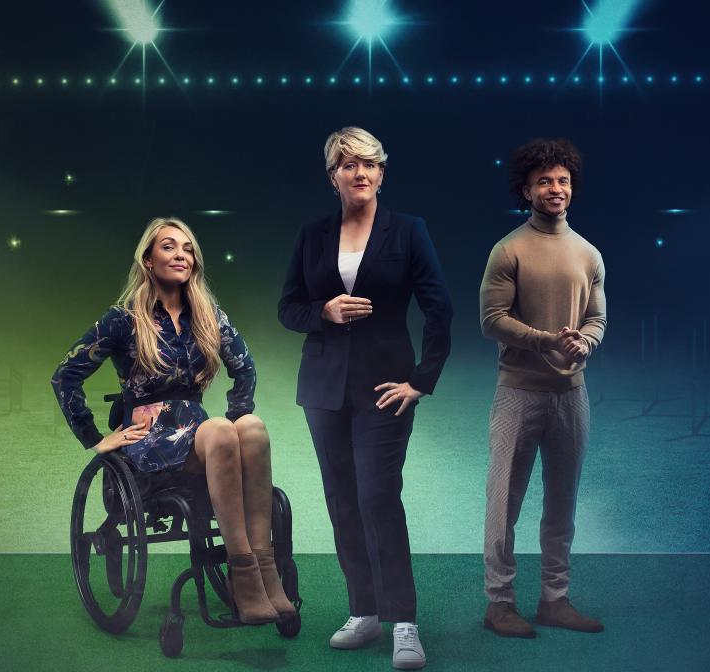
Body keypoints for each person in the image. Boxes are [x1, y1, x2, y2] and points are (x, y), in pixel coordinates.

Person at [52, 217, 295, 625]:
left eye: (187, 248)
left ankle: (265, 570)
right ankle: (244, 574)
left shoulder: (209, 315)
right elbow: (65, 376)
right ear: (148, 259)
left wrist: (236, 421)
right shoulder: (123, 319)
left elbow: (246, 369)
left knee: (250, 427)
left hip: (199, 434)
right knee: (218, 430)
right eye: (168, 246)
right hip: (149, 439)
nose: (180, 254)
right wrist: (95, 438)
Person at [278, 127, 452, 670]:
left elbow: (439, 309)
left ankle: (404, 623)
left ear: (381, 173)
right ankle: (364, 611)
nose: (361, 173)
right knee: (342, 500)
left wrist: (421, 380)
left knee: (378, 496)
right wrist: (323, 312)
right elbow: (289, 309)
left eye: (370, 164)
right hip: (324, 391)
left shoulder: (408, 231)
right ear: (333, 177)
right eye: (349, 164)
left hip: (385, 389)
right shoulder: (312, 235)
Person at [479, 138, 607, 638]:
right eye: (544, 182)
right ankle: (499, 603)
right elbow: (491, 320)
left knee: (562, 500)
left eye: (563, 181)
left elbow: (596, 317)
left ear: (571, 188)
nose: (555, 189)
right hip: (518, 393)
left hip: (572, 396)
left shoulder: (588, 252)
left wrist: (584, 344)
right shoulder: (508, 249)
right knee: (503, 502)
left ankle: (555, 599)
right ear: (526, 190)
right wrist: (547, 341)